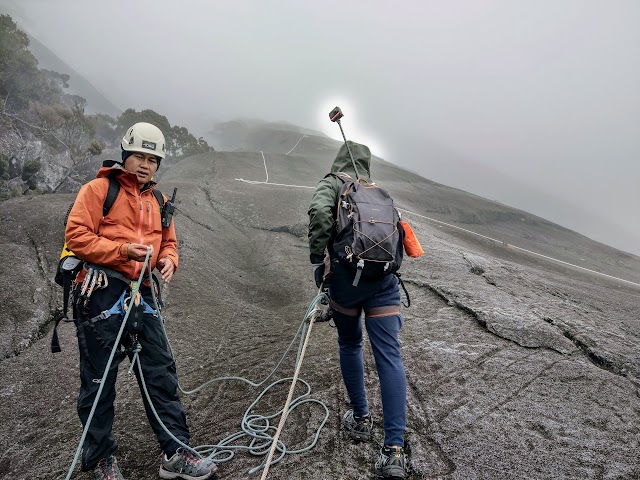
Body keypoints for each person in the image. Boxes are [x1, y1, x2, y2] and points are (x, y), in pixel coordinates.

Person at [65, 122, 217, 480]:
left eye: (153, 159)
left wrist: (169, 260)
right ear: (125, 156)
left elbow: (170, 242)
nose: (146, 164)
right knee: (99, 382)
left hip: (143, 295)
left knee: (160, 373)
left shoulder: (160, 201)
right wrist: (121, 251)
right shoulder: (99, 189)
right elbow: (75, 235)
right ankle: (101, 458)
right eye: (139, 156)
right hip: (103, 293)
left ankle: (176, 452)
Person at [307, 141, 408, 479]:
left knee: (350, 344)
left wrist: (316, 262)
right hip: (384, 283)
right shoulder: (377, 191)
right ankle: (394, 451)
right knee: (390, 357)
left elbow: (321, 214)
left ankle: (362, 419)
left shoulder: (333, 182)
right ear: (367, 164)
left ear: (338, 159)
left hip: (347, 284)